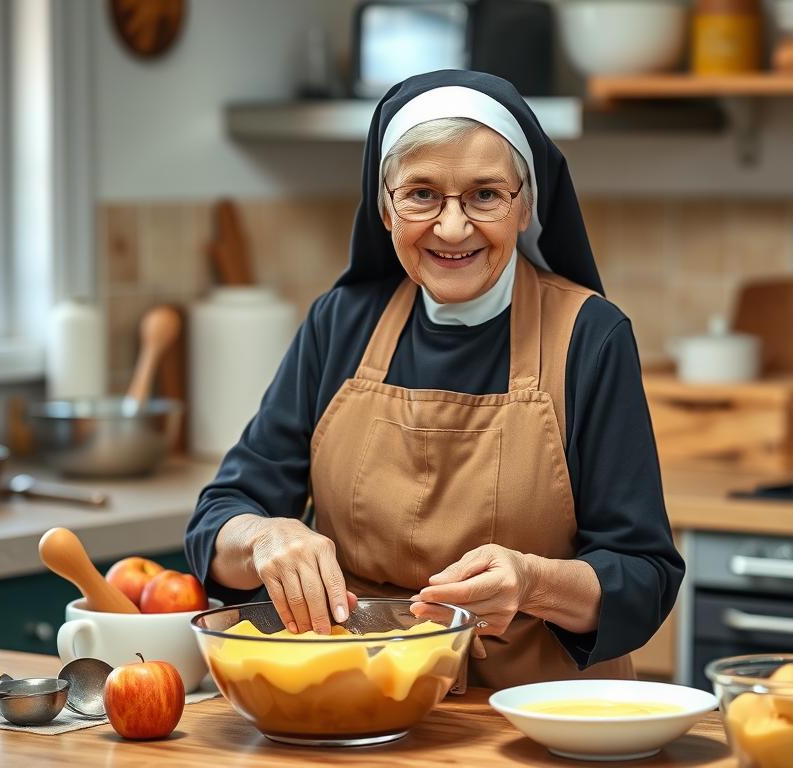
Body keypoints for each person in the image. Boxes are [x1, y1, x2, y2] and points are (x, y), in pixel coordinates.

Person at [185, 69, 684, 689]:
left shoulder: (590, 336)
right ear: (384, 208)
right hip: (355, 701)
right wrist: (264, 536)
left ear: (527, 205)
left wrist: (533, 584)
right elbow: (219, 516)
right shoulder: (340, 323)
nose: (452, 229)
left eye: (485, 195)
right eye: (421, 194)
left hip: (537, 718)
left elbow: (644, 573)